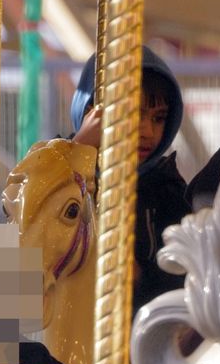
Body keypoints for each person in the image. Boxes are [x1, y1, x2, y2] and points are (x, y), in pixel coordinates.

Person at [69, 46, 190, 315]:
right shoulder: (49, 167)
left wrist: (139, 275)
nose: (147, 131)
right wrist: (77, 152)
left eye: (158, 118)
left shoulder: (166, 187)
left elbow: (184, 281)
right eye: (133, 114)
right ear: (91, 113)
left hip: (136, 327)